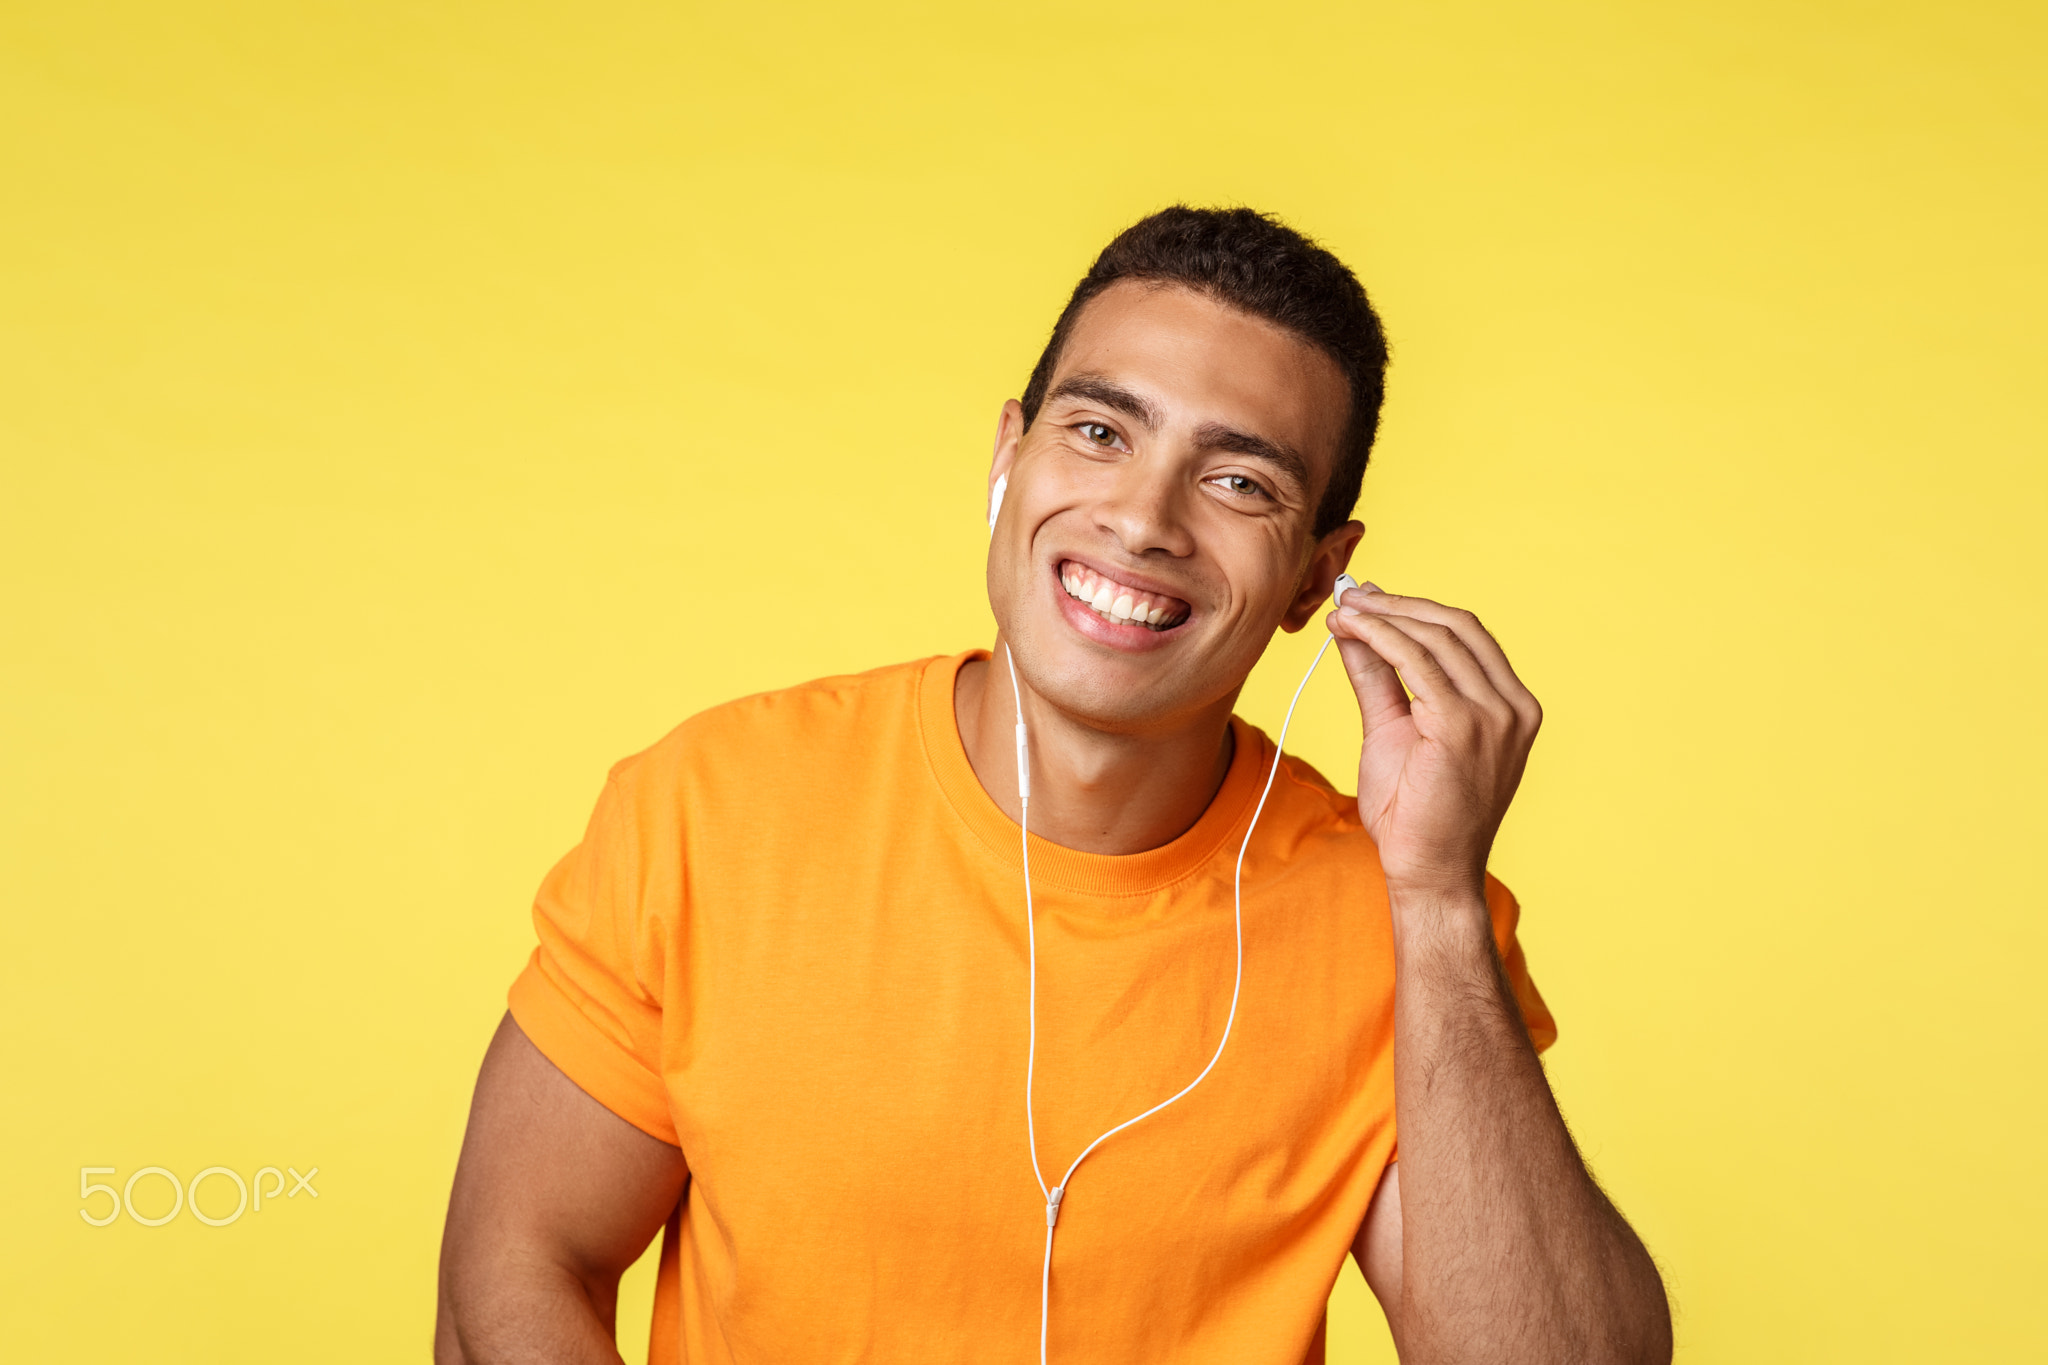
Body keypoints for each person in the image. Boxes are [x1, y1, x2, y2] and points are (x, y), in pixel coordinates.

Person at [434, 206, 1672, 1365]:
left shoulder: (1396, 919)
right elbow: (517, 1263)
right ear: (1007, 456)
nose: (1142, 519)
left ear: (1315, 577)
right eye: (1098, 431)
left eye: (1239, 482)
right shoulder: (710, 807)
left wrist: (1440, 904)